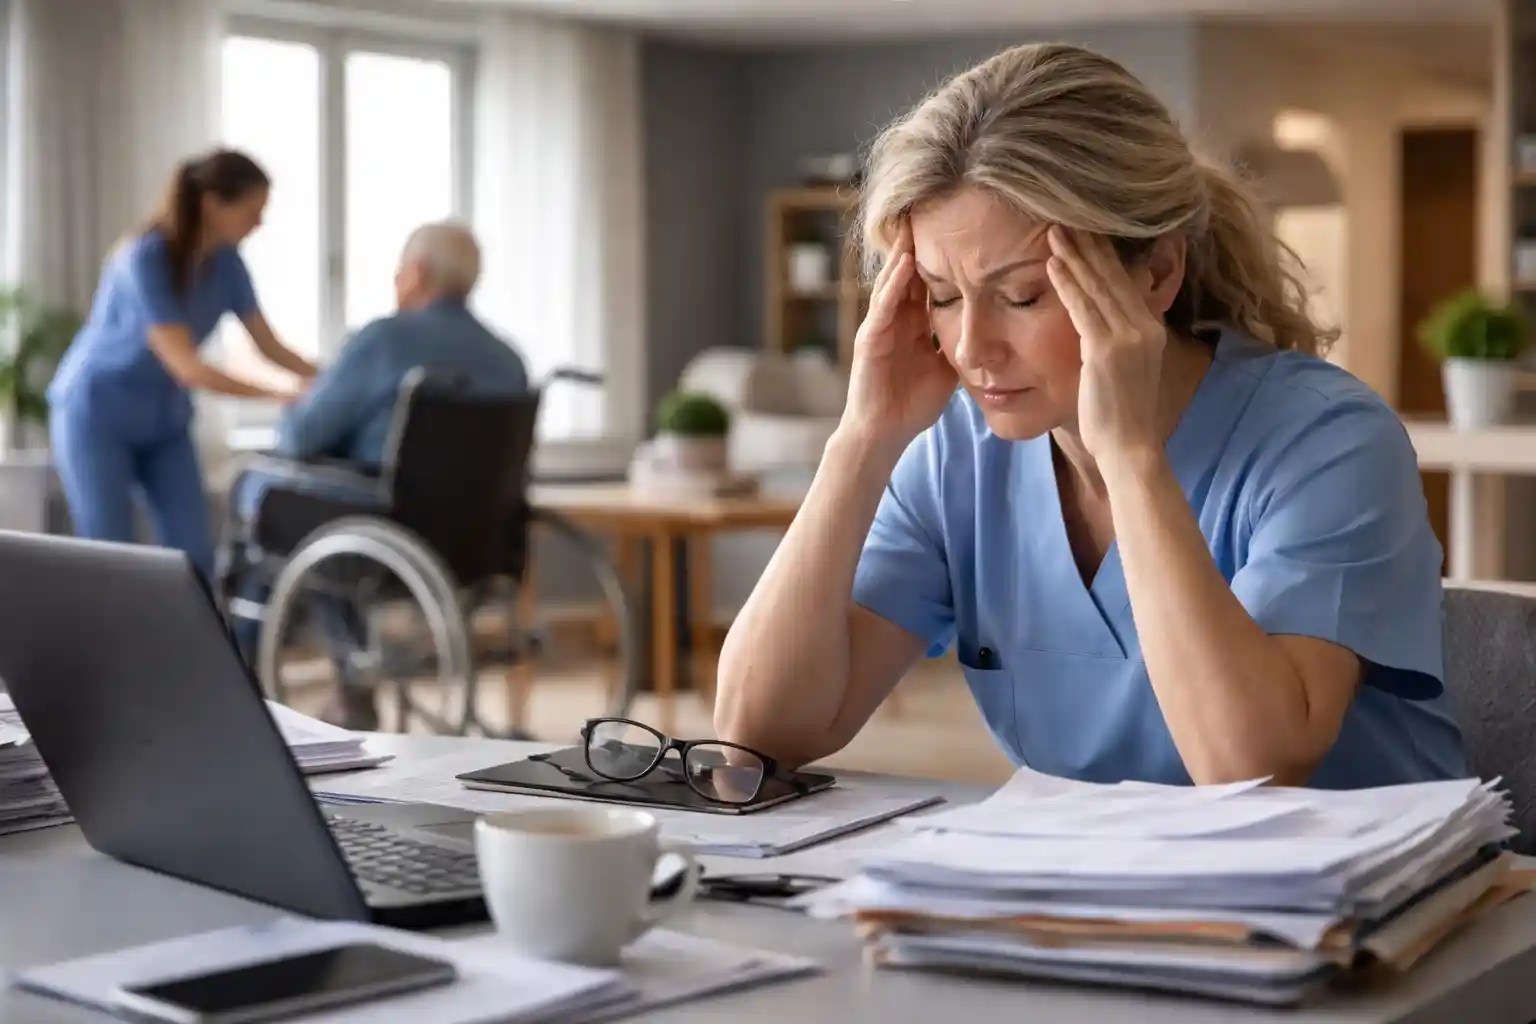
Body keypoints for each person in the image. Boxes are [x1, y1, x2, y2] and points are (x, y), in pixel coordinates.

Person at [713, 43, 1467, 790]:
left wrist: (1131, 458)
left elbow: (1253, 769)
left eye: (1023, 296)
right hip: (1101, 893)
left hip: (1361, 901)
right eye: (942, 296)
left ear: (1158, 274)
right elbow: (759, 729)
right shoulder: (955, 452)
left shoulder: (1329, 440)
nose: (972, 348)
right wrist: (861, 440)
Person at [227, 221, 529, 726]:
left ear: (415, 273)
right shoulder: (508, 359)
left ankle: (247, 675)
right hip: (474, 545)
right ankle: (351, 681)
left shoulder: (385, 339)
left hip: (384, 533)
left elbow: (302, 437)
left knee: (265, 490)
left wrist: (298, 405)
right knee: (331, 521)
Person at [50, 150, 316, 581]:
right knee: (106, 554)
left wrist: (331, 379)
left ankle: (185, 647)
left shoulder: (228, 264)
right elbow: (187, 368)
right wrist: (281, 394)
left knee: (194, 555)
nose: (259, 224)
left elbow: (271, 347)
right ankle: (112, 648)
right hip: (97, 412)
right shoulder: (143, 257)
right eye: (252, 212)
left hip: (163, 420)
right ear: (213, 204)